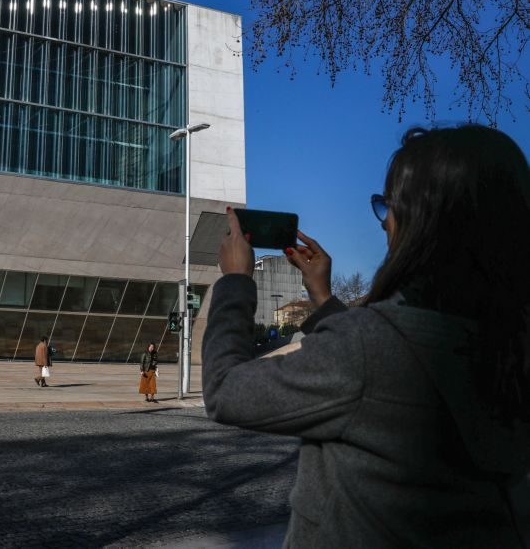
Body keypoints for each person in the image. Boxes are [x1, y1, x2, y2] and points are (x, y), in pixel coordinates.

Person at [204, 125, 530, 546]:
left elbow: (226, 391)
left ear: (423, 220)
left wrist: (236, 282)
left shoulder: (367, 348)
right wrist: (323, 299)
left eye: (389, 206)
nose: (383, 225)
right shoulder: (509, 342)